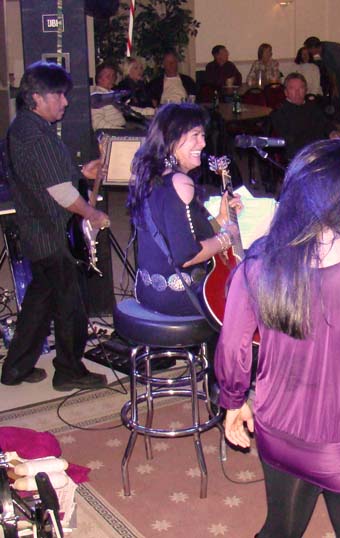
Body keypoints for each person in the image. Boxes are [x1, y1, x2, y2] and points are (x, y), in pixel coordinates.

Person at [215, 139, 340, 537]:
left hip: (275, 431)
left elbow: (232, 344)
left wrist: (234, 400)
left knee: (280, 530)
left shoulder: (259, 258)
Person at [0, 61, 110, 391]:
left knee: (40, 301)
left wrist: (80, 171)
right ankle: (69, 371)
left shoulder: (24, 127)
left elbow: (45, 174)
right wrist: (92, 214)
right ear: (37, 97)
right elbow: (61, 193)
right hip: (52, 235)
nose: (65, 101)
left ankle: (15, 368)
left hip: (38, 233)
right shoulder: (37, 135)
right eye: (59, 95)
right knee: (71, 305)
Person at [126, 103, 241, 317]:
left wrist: (221, 218)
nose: (203, 143)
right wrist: (228, 237)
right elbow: (187, 256)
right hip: (178, 298)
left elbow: (180, 234)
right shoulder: (180, 182)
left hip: (148, 290)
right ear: (172, 138)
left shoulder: (151, 175)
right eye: (195, 135)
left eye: (203, 136)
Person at [266, 73, 339, 162]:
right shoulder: (280, 112)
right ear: (286, 92)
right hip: (299, 156)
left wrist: (332, 132)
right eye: (292, 88)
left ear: (306, 90)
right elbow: (289, 142)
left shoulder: (312, 107)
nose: (297, 92)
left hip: (319, 151)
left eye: (301, 88)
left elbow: (325, 123)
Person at [90, 62, 126, 130]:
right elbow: (97, 123)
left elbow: (128, 108)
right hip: (113, 132)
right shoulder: (97, 97)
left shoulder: (111, 93)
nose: (112, 79)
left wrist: (146, 111)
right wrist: (120, 131)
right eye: (108, 76)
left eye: (113, 76)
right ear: (99, 79)